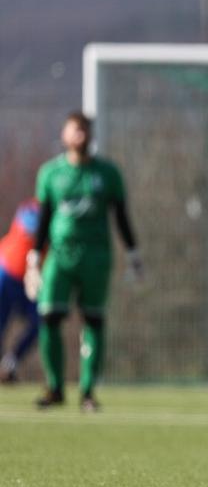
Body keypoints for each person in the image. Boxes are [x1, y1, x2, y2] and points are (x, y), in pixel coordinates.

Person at [25, 111, 142, 411]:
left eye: (85, 130)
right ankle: (55, 388)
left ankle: (88, 392)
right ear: (64, 134)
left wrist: (133, 254)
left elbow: (121, 215)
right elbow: (45, 217)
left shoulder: (106, 174)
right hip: (60, 257)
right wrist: (34, 256)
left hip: (96, 257)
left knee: (93, 320)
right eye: (75, 129)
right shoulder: (50, 173)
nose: (81, 135)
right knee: (50, 316)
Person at [0, 198, 42, 384]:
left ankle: (11, 363)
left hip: (30, 281)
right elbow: (32, 227)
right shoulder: (31, 207)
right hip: (6, 272)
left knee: (40, 322)